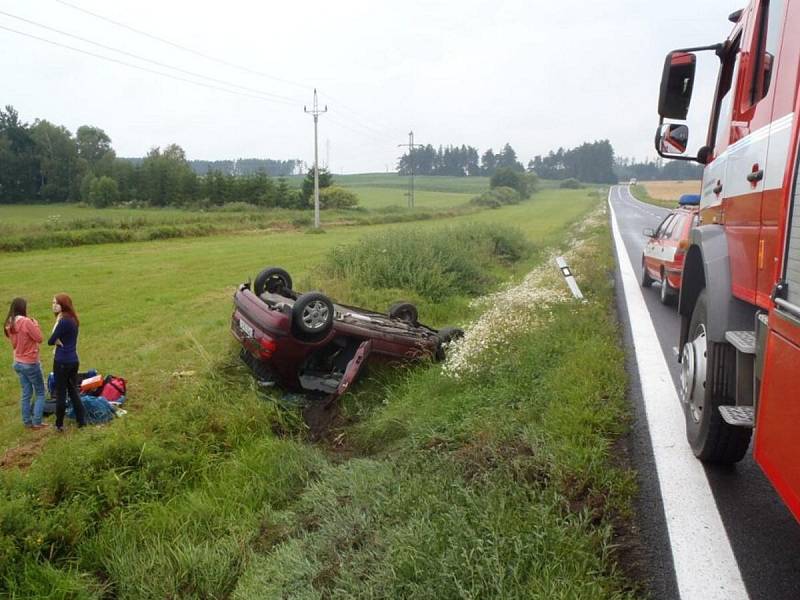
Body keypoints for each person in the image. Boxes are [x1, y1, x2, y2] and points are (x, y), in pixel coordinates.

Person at [4, 298, 47, 429]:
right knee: (40, 392)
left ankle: (27, 421)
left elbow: (14, 344)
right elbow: (39, 338)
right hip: (30, 363)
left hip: (17, 362)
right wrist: (36, 325)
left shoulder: (10, 323)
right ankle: (37, 421)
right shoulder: (26, 322)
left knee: (26, 392)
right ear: (23, 308)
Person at [48, 293, 86, 431]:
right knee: (73, 391)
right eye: (53, 303)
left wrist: (56, 341)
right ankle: (81, 421)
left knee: (61, 393)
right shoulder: (74, 319)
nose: (53, 305)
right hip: (73, 360)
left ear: (63, 305)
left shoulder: (63, 321)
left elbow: (50, 341)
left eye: (56, 303)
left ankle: (59, 424)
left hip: (61, 361)